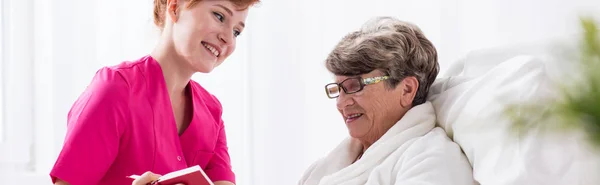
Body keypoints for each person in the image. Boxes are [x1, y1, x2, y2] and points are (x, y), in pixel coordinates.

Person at [50, 0, 259, 185]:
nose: (228, 40)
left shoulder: (212, 111)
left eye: (236, 32)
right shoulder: (116, 90)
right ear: (175, 6)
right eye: (219, 16)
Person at [298, 17, 476, 185]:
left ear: (407, 90)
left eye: (354, 86)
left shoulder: (432, 160)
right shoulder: (322, 170)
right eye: (338, 89)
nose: (340, 103)